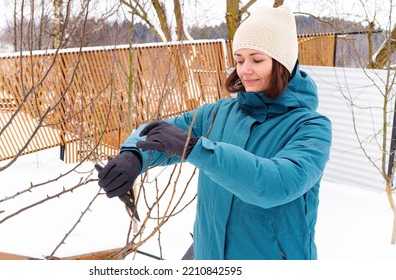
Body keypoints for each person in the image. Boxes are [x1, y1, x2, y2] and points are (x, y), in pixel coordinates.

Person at [96, 5, 332, 260]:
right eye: (240, 60)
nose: (245, 70)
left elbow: (275, 184)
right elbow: (160, 131)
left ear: (283, 63)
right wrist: (133, 156)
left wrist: (195, 149)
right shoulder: (219, 113)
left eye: (257, 59)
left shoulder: (311, 127)